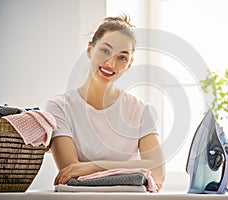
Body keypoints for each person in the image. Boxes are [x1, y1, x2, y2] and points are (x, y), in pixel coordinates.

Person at [45, 15, 165, 191]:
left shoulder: (140, 110)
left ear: (130, 63)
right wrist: (134, 170)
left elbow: (158, 173)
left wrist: (94, 166)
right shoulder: (59, 108)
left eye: (122, 57)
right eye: (105, 51)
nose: (111, 63)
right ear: (90, 49)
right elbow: (70, 172)